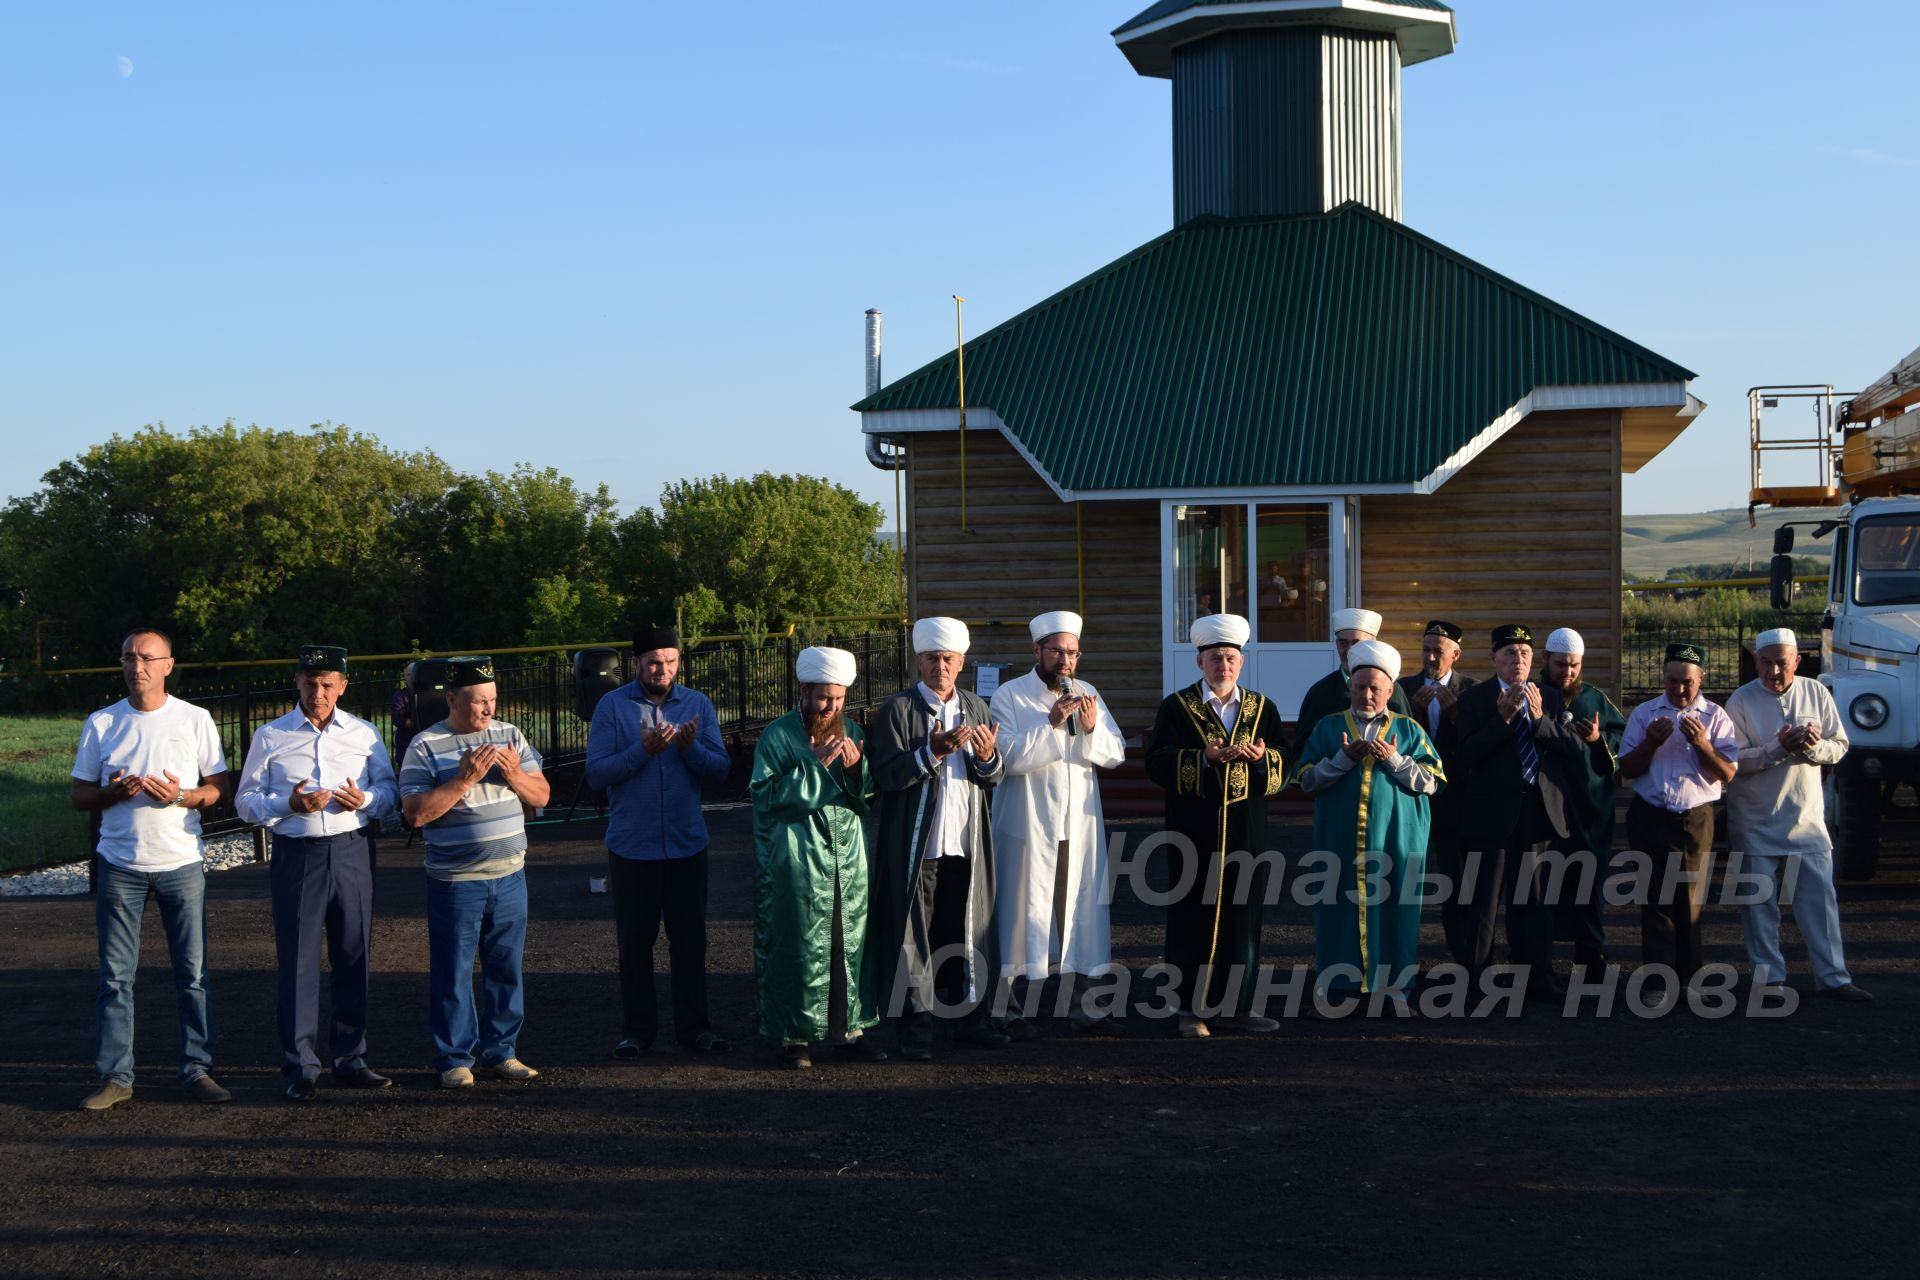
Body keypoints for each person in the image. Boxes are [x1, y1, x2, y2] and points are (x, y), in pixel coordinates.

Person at [70, 628, 235, 1111]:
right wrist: (113, 794)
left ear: (168, 665)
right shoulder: (103, 723)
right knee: (115, 977)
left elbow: (218, 789)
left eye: (146, 657)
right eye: (128, 657)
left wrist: (180, 795)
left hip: (180, 861)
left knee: (193, 974)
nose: (135, 666)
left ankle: (197, 1069)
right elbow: (79, 796)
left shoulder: (194, 719)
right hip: (120, 864)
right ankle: (116, 1077)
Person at [234, 644, 399, 1102]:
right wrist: (287, 804)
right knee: (299, 960)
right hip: (297, 853)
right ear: (297, 681)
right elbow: (245, 801)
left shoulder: (364, 734)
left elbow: (388, 789)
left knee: (354, 954)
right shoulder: (271, 735)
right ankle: (301, 1064)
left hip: (351, 848)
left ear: (343, 686)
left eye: (328, 684)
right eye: (311, 682)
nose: (318, 692)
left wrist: (362, 800)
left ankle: (351, 1057)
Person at [399, 656, 550, 1089]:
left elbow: (542, 794)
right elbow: (414, 815)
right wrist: (463, 781)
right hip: (455, 883)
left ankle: (501, 1052)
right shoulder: (425, 745)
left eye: (493, 700)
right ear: (451, 699)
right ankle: (454, 1058)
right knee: (453, 971)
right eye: (479, 702)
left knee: (506, 968)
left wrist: (515, 774)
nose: (488, 710)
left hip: (509, 876)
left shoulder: (509, 736)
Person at [584, 625, 733, 1058]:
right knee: (635, 943)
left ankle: (695, 1029)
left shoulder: (697, 704)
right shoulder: (612, 707)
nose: (662, 669)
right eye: (653, 662)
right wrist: (643, 751)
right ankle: (637, 1031)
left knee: (690, 942)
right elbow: (596, 774)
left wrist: (688, 750)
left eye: (669, 661)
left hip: (687, 844)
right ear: (637, 664)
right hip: (632, 846)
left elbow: (720, 770)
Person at [866, 617, 1006, 1060]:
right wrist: (931, 752)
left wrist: (986, 757)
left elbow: (993, 776)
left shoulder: (977, 709)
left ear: (961, 662)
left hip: (965, 845)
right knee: (914, 937)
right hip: (918, 847)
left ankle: (969, 1020)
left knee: (965, 931)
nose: (939, 666)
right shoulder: (897, 710)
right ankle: (916, 1028)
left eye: (948, 659)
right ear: (918, 661)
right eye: (931, 659)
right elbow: (886, 777)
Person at [1144, 613, 1287, 1037]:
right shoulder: (1177, 706)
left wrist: (1264, 760)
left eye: (1230, 658)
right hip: (1193, 830)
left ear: (1241, 662)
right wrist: (1202, 759)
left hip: (1247, 830)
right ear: (1199, 662)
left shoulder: (1263, 708)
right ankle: (1191, 1008)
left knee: (1243, 917)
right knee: (1194, 914)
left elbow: (1285, 761)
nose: (1223, 665)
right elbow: (1155, 763)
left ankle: (1238, 1006)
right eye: (1214, 658)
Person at [988, 610, 1128, 1035]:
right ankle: (1007, 1009)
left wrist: (1088, 730)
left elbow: (1115, 752)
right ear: (1037, 651)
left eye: (1072, 653)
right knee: (1017, 911)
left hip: (1077, 828)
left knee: (1081, 912)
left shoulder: (1089, 693)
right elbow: (1005, 759)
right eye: (1056, 652)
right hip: (1026, 827)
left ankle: (1084, 1006)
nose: (1065, 661)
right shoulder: (1009, 696)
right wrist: (1051, 725)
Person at [749, 646, 888, 1068]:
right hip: (796, 857)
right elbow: (765, 796)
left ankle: (851, 1030)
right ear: (804, 689)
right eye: (825, 697)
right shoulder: (777, 735)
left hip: (847, 854)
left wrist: (854, 768)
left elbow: (865, 797)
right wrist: (815, 767)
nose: (832, 706)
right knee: (799, 941)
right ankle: (795, 1036)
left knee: (850, 941)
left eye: (840, 698)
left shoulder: (853, 732)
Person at [1724, 629, 1872, 1002]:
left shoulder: (1816, 692)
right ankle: (1769, 980)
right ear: (1755, 661)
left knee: (1820, 904)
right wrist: (1777, 748)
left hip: (1806, 819)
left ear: (1797, 661)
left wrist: (1813, 748)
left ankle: (1834, 978)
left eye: (1781, 662)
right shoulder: (1740, 700)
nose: (1774, 670)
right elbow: (1731, 761)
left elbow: (1839, 745)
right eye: (1766, 662)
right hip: (1754, 820)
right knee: (1759, 907)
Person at [1293, 640, 1442, 1001]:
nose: (1367, 694)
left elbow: (1431, 782)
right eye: (1360, 687)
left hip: (1396, 841)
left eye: (1376, 688)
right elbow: (1307, 780)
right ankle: (1339, 989)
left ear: (1390, 690)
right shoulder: (1328, 728)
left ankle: (1396, 992)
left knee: (1397, 913)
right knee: (1338, 910)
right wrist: (1342, 760)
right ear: (1350, 688)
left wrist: (1394, 760)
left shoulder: (1409, 731)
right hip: (1340, 842)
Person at [1451, 624, 1583, 1001]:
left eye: (1525, 653)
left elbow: (1573, 752)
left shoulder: (1551, 699)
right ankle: (1477, 980)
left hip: (1537, 811)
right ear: (1494, 659)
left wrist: (1541, 721)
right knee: (1484, 901)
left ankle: (1537, 975)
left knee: (1536, 900)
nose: (1518, 659)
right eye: (1510, 653)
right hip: (1492, 812)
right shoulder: (1475, 700)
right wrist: (1503, 720)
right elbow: (1467, 756)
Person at [1618, 643, 1739, 990]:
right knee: (1654, 900)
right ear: (1664, 678)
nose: (1679, 689)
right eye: (1672, 681)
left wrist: (1703, 745)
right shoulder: (1644, 714)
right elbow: (1627, 768)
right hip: (1649, 815)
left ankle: (1688, 980)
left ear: (1701, 679)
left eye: (1687, 681)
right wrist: (1649, 745)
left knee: (1690, 901)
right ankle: (1658, 983)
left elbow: (1727, 774)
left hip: (1695, 819)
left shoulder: (1716, 716)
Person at [1539, 628, 1626, 982]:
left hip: (1589, 807)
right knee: (1541, 883)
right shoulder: (1533, 695)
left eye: (1574, 665)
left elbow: (1621, 737)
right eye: (1561, 664)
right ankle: (1536, 958)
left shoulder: (1594, 698)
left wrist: (1597, 739)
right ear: (1546, 659)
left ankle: (1591, 956)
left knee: (1588, 881)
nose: (1568, 672)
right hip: (1543, 807)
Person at [1292, 607, 1414, 753]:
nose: (1349, 650)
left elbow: (1408, 741)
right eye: (1343, 643)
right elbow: (1303, 752)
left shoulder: (1393, 690)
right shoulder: (1320, 692)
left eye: (1356, 643)